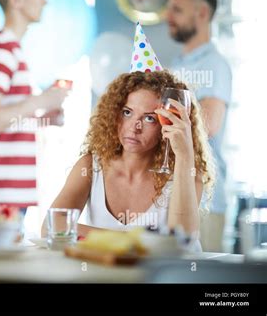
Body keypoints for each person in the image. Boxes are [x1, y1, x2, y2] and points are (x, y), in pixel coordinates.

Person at [43, 23, 215, 243]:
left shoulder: (186, 170)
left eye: (149, 118)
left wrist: (184, 155)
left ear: (167, 124)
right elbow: (52, 226)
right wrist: (138, 240)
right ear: (113, 113)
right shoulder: (91, 167)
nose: (135, 126)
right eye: (127, 112)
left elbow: (184, 242)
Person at [0, 0, 68, 210]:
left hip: (9, 196)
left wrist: (44, 119)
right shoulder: (0, 50)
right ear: (16, 0)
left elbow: (4, 122)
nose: (44, 1)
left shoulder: (11, 50)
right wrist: (41, 101)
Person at [167, 0, 232, 252]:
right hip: (171, 196)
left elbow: (210, 125)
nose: (167, 16)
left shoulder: (214, 64)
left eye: (177, 10)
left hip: (204, 199)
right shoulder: (175, 65)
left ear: (202, 14)